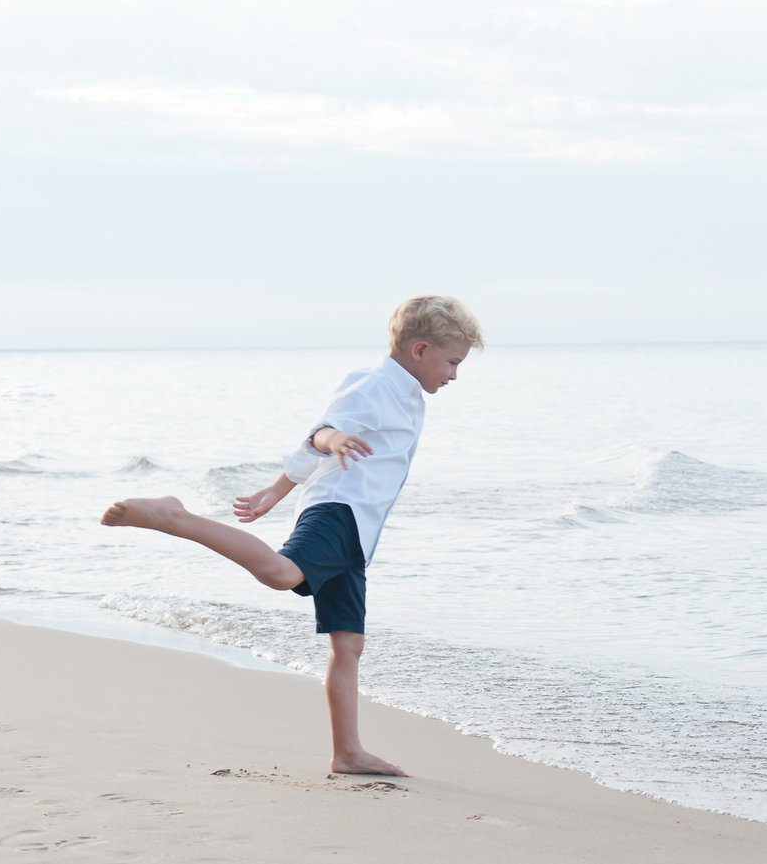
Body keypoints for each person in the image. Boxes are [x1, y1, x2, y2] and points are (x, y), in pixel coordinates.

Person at [101, 295, 483, 777]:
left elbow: (310, 452)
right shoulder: (375, 385)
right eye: (452, 363)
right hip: (339, 511)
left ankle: (347, 753)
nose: (453, 375)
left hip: (357, 530)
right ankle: (175, 517)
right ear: (420, 349)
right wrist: (334, 440)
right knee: (283, 575)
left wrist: (275, 492)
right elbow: (321, 434)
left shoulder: (403, 392)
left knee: (348, 645)